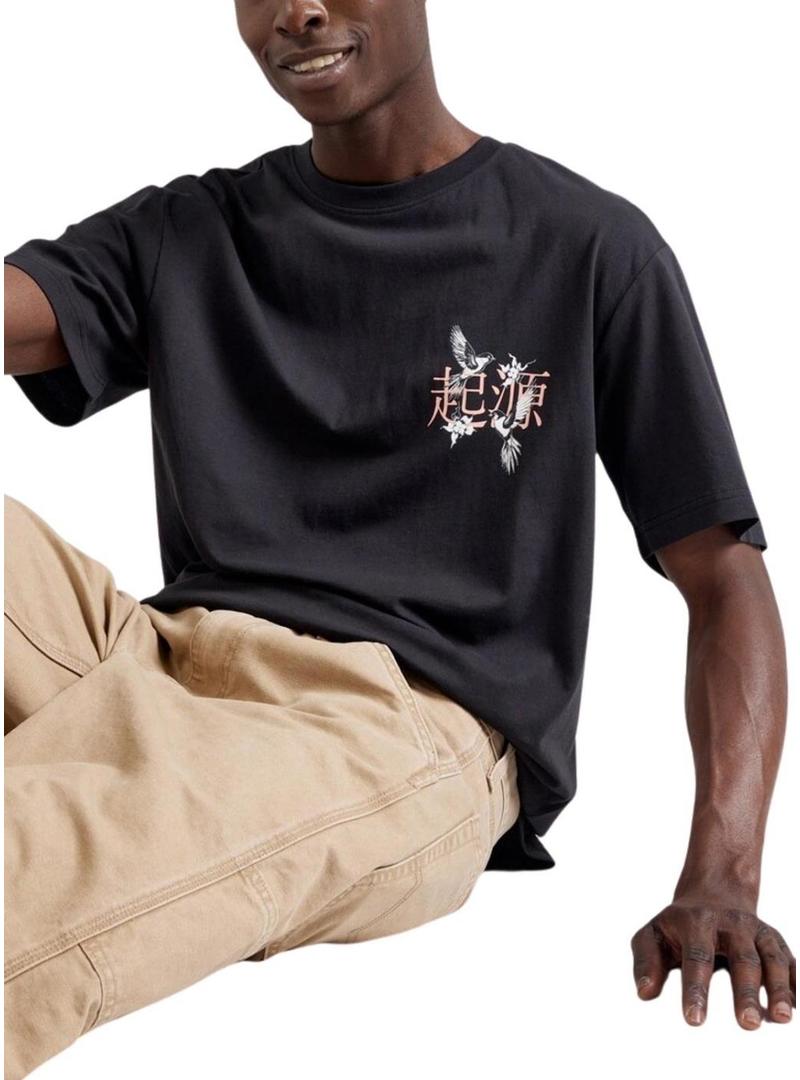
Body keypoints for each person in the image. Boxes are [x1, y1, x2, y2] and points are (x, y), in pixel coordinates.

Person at [4, 0, 795, 1073]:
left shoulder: (585, 245)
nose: (299, 11)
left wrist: (723, 876)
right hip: (161, 657)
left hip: (400, 721)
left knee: (41, 849)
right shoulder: (196, 227)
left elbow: (722, 575)